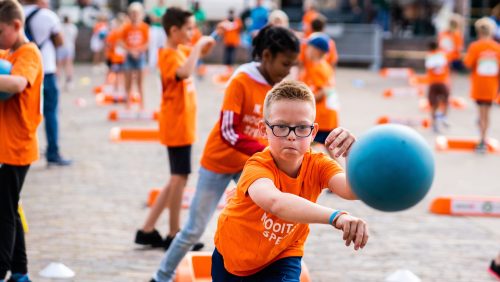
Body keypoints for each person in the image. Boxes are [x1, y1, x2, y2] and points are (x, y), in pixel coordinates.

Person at [150, 25, 301, 282]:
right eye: (285, 63)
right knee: (194, 229)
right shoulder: (241, 80)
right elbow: (228, 131)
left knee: (266, 220)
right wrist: (268, 150)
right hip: (218, 163)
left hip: (250, 166)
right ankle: (161, 277)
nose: (288, 71)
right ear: (266, 56)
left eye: (292, 65)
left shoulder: (278, 89)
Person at [212, 80, 368, 281]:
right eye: (281, 127)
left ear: (313, 132)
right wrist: (336, 216)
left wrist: (353, 155)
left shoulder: (319, 165)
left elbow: (352, 190)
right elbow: (275, 202)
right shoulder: (257, 165)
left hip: (283, 254)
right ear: (263, 129)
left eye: (302, 127)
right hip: (232, 256)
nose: (291, 136)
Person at [135, 7, 215, 251]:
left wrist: (204, 44)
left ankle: (147, 230)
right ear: (174, 30)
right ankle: (173, 233)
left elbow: (195, 56)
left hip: (182, 125)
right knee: (179, 178)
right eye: (189, 28)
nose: (193, 32)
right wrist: (198, 47)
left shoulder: (179, 51)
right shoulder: (169, 55)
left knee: (176, 178)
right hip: (176, 125)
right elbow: (185, 72)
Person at [0, 0, 44, 281]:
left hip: (16, 148)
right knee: (10, 209)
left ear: (16, 26)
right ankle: (20, 272)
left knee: (3, 214)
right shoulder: (10, 51)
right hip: (9, 146)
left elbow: (16, 84)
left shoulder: (28, 54)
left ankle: (2, 269)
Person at [23, 0, 71, 166]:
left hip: (23, 70)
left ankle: (23, 150)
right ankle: (53, 151)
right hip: (46, 68)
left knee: (24, 113)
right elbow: (60, 42)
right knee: (50, 112)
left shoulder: (16, 13)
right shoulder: (48, 16)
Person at [299, 34, 340, 159]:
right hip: (326, 116)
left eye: (308, 46)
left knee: (302, 145)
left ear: (316, 50)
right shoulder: (321, 66)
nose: (305, 49)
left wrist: (302, 100)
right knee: (329, 148)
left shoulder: (318, 68)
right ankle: (344, 174)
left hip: (321, 118)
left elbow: (324, 91)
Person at [463, 17, 500, 153]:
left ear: (478, 31)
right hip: (491, 86)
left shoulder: (475, 46)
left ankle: (482, 138)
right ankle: (483, 137)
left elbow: (467, 63)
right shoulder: (497, 48)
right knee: (487, 113)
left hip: (479, 85)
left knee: (481, 113)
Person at [120, 2, 149, 109]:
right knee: (128, 82)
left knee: (140, 83)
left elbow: (147, 42)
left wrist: (138, 51)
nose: (134, 15)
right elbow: (121, 41)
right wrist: (130, 50)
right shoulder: (126, 27)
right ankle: (127, 104)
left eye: (136, 13)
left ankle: (142, 105)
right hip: (129, 55)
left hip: (140, 56)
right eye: (132, 13)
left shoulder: (145, 27)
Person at [105, 13, 127, 95]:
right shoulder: (116, 32)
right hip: (116, 57)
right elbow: (109, 43)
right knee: (117, 73)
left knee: (119, 74)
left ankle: (117, 88)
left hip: (119, 57)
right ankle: (115, 88)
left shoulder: (120, 31)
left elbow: (109, 43)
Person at [56, 15, 78, 91]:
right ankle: (69, 82)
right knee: (69, 64)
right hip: (69, 47)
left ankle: (58, 81)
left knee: (59, 65)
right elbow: (74, 39)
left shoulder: (60, 27)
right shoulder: (73, 27)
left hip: (61, 47)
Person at [220, 9, 242, 74]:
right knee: (227, 55)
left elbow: (239, 29)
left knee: (231, 55)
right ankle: (227, 68)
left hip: (234, 41)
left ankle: (230, 68)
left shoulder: (237, 21)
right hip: (227, 41)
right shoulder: (225, 21)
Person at [147, 0, 167, 70]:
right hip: (155, 28)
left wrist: (159, 19)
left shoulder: (166, 9)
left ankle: (162, 63)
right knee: (153, 46)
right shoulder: (154, 9)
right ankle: (152, 64)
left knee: (163, 46)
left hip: (163, 28)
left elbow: (165, 19)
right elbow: (153, 18)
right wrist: (161, 18)